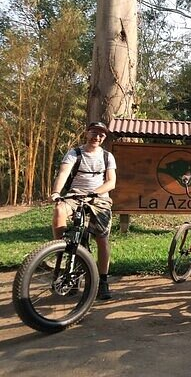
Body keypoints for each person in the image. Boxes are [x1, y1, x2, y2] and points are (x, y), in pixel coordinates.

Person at [50, 122, 117, 300]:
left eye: (101, 134)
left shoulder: (107, 156)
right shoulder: (74, 153)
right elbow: (63, 173)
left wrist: (94, 193)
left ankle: (103, 280)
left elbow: (111, 182)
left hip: (99, 198)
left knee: (102, 239)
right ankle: (61, 250)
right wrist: (57, 193)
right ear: (87, 133)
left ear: (104, 138)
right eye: (94, 132)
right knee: (59, 210)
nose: (97, 137)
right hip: (75, 196)